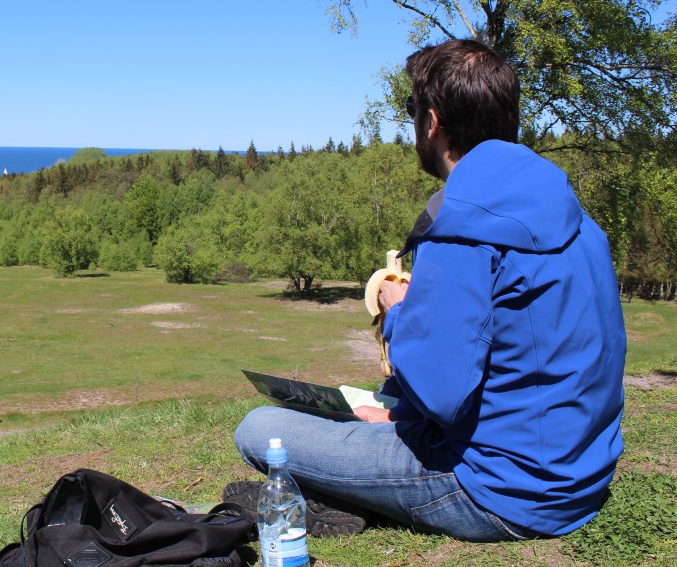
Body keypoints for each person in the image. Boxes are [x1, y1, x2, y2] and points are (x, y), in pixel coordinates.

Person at [227, 39, 627, 542]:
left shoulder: (464, 224)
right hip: (581, 475)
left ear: (432, 122)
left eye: (412, 110)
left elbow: (441, 394)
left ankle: (330, 499)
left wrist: (398, 311)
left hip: (503, 491)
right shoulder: (572, 214)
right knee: (372, 404)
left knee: (261, 428)